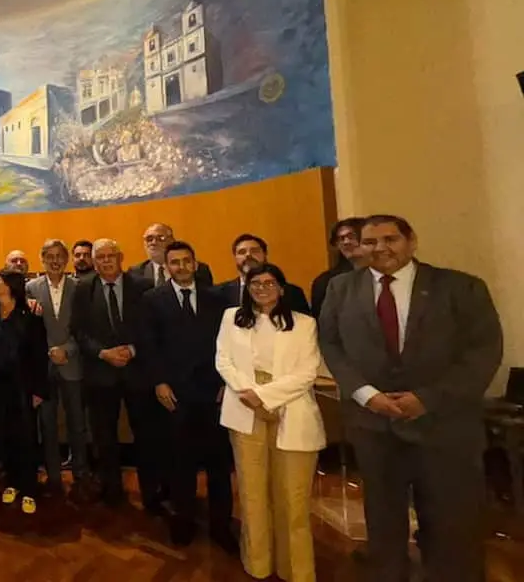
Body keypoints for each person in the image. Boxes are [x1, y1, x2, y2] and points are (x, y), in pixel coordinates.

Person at [319, 215, 502, 582]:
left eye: (391, 239)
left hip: (444, 427)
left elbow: (483, 352)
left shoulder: (461, 287)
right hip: (375, 427)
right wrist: (365, 395)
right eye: (370, 242)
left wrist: (428, 399)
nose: (381, 248)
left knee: (453, 524)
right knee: (383, 523)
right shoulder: (341, 289)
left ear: (412, 241)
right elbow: (331, 344)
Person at [216, 263, 325, 582]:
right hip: (244, 412)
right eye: (255, 283)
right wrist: (246, 392)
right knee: (252, 494)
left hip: (291, 411)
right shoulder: (230, 318)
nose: (262, 288)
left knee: (292, 497)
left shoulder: (304, 324)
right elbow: (223, 359)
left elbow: (307, 371)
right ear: (247, 288)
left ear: (281, 288)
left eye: (269, 283)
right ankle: (258, 564)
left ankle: (296, 570)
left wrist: (265, 396)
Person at [141, 241, 235, 550]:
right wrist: (159, 382)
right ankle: (183, 522)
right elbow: (149, 345)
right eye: (175, 262)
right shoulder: (153, 300)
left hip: (214, 393)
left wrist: (226, 382)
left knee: (219, 465)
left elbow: (228, 343)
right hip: (175, 394)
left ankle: (222, 526)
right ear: (166, 266)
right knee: (180, 463)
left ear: (195, 264)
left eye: (186, 261)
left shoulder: (216, 297)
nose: (181, 267)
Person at [69, 238, 161, 509]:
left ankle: (152, 494)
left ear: (120, 257)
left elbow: (152, 328)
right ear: (95, 261)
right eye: (101, 257)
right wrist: (103, 353)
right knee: (104, 437)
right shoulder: (83, 288)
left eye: (111, 255)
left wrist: (132, 349)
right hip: (100, 374)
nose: (106, 261)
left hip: (137, 373)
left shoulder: (142, 286)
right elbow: (79, 331)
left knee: (145, 435)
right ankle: (112, 493)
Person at [25, 239, 91, 498]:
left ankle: (81, 475)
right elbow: (28, 332)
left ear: (66, 260)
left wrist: (68, 349)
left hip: (72, 364)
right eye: (49, 256)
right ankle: (53, 477)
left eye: (59, 256)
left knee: (77, 423)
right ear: (42, 259)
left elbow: (84, 327)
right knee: (47, 424)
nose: (55, 261)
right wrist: (47, 352)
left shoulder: (79, 287)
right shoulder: (30, 288)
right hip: (44, 368)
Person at [0, 267, 49, 514]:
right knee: (4, 435)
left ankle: (29, 488)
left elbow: (39, 357)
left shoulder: (29, 317)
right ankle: (11, 482)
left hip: (23, 387)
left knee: (26, 438)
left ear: (10, 286)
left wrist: (38, 391)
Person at [215, 234, 310, 314]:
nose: (248, 255)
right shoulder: (218, 294)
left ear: (265, 254)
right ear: (235, 258)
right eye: (242, 252)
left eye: (254, 251)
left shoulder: (292, 292)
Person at [127, 223, 213, 290]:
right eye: (149, 239)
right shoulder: (135, 273)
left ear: (172, 241)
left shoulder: (196, 269)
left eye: (160, 238)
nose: (153, 243)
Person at [310, 218, 366, 317]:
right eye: (341, 239)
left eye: (351, 236)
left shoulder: (384, 274)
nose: (346, 242)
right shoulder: (326, 281)